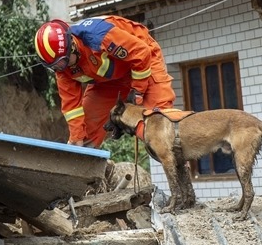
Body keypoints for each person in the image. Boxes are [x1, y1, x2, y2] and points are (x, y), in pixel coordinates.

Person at [34, 16, 176, 147]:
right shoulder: (62, 69)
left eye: (61, 62)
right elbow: (71, 107)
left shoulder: (98, 35)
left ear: (72, 46)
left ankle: (179, 160)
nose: (61, 68)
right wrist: (76, 138)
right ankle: (85, 163)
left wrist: (138, 91)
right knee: (85, 133)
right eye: (54, 66)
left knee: (158, 126)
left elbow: (141, 53)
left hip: (143, 60)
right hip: (110, 81)